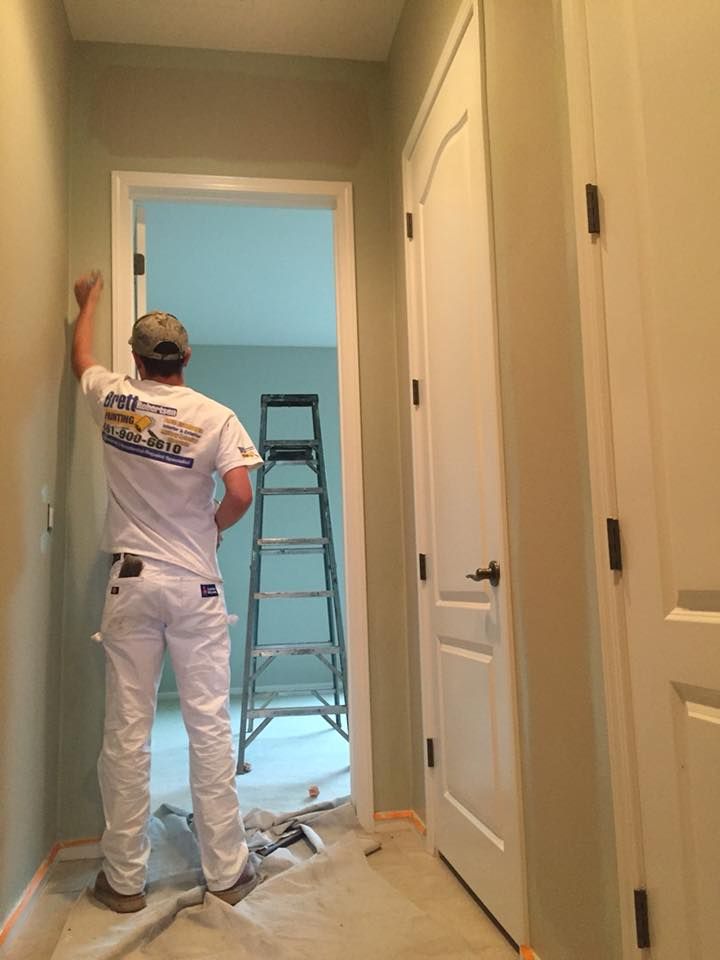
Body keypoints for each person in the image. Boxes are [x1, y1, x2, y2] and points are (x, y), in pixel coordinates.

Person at [71, 271, 263, 913]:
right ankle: (226, 873)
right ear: (185, 358)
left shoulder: (114, 396)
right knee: (208, 722)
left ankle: (124, 882)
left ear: (136, 359)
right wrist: (210, 528)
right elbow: (240, 493)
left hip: (132, 584)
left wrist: (87, 302)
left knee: (127, 729)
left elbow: (81, 360)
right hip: (196, 585)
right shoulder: (215, 416)